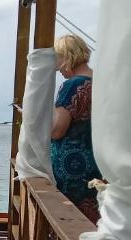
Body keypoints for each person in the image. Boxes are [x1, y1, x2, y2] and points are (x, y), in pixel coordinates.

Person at [51, 34, 102, 223]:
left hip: (71, 167)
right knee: (92, 218)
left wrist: (37, 123)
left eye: (58, 59)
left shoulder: (72, 86)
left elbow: (58, 130)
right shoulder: (100, 83)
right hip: (95, 162)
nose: (57, 67)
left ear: (68, 56)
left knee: (70, 222)